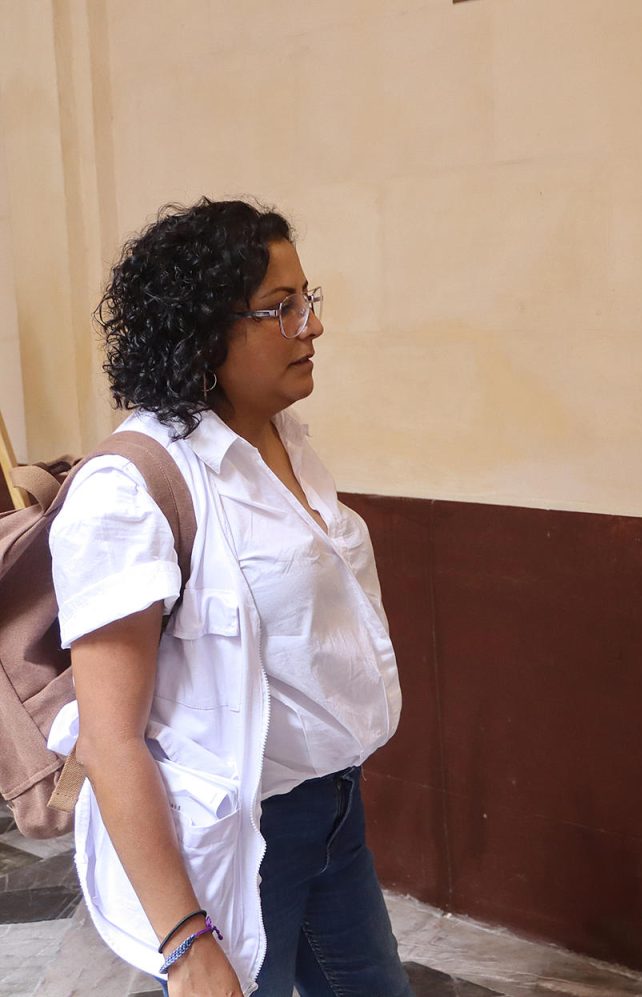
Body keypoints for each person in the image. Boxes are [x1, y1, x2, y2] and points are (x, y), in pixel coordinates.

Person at [47, 199, 411, 996]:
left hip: (335, 818)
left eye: (307, 299)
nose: (310, 325)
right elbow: (112, 743)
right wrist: (186, 943)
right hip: (238, 839)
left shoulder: (282, 439)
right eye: (281, 308)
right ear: (205, 331)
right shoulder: (131, 491)